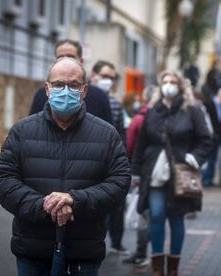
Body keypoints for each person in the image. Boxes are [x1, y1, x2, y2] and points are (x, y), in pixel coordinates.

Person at [0, 57, 131, 275]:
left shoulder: (106, 135)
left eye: (73, 85)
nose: (65, 90)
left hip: (84, 250)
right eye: (58, 84)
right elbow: (3, 180)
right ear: (47, 89)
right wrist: (44, 205)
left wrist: (75, 200)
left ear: (84, 91)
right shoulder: (22, 131)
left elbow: (120, 183)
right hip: (33, 248)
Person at [131, 71, 211, 275]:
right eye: (164, 82)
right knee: (156, 215)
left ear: (181, 86)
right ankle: (157, 266)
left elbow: (205, 140)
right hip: (154, 172)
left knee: (176, 217)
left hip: (181, 172)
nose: (168, 85)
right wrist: (136, 173)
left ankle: (173, 267)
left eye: (172, 82)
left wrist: (195, 157)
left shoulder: (192, 110)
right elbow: (140, 144)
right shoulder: (152, 110)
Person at [89, 60, 128, 254]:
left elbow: (121, 134)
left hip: (110, 162)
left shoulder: (115, 104)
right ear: (93, 75)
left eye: (111, 78)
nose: (108, 81)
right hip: (90, 162)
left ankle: (116, 242)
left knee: (115, 205)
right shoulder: (82, 98)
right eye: (105, 76)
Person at [28, 39, 113, 125]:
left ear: (81, 61)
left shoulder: (99, 97)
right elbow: (31, 127)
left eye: (71, 56)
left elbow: (108, 134)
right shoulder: (41, 95)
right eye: (60, 57)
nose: (65, 60)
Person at [122, 85, 156, 267]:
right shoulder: (157, 118)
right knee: (153, 214)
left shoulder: (138, 119)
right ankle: (150, 252)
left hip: (142, 171)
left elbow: (129, 145)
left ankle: (142, 251)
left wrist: (132, 170)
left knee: (144, 213)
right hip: (155, 173)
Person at [201, 86, 221, 187]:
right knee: (211, 158)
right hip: (211, 135)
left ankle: (218, 180)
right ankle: (207, 180)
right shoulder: (209, 104)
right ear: (220, 95)